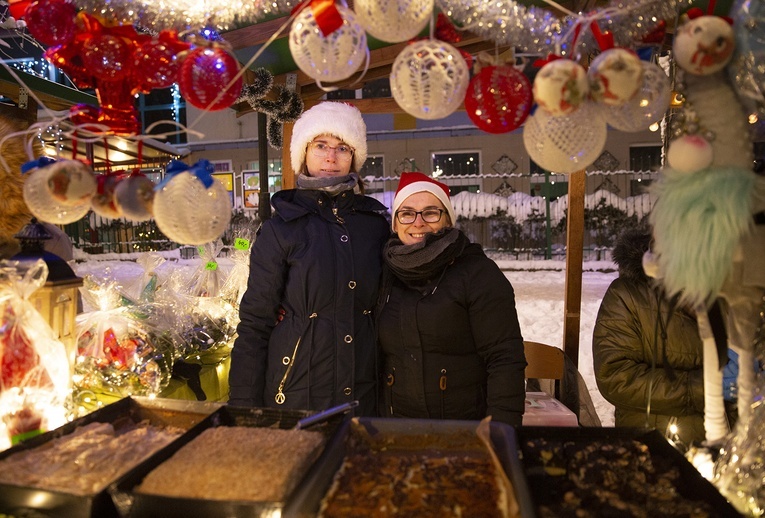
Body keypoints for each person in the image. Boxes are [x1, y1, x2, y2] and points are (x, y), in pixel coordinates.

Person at [227, 102, 390, 415]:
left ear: (355, 157)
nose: (331, 157)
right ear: (303, 153)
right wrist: (243, 407)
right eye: (320, 146)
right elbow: (255, 323)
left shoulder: (374, 226)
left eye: (342, 147)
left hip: (364, 393)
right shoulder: (281, 230)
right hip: (297, 393)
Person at [375, 172, 526, 426]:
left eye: (431, 212)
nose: (418, 222)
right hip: (395, 425)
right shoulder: (382, 271)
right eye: (407, 213)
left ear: (447, 220)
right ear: (395, 223)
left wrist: (502, 430)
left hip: (464, 427)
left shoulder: (477, 273)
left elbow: (504, 358)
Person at [592, 227, 739, 448]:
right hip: (659, 447)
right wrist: (702, 387)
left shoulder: (733, 290)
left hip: (734, 447)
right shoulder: (627, 294)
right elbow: (616, 377)